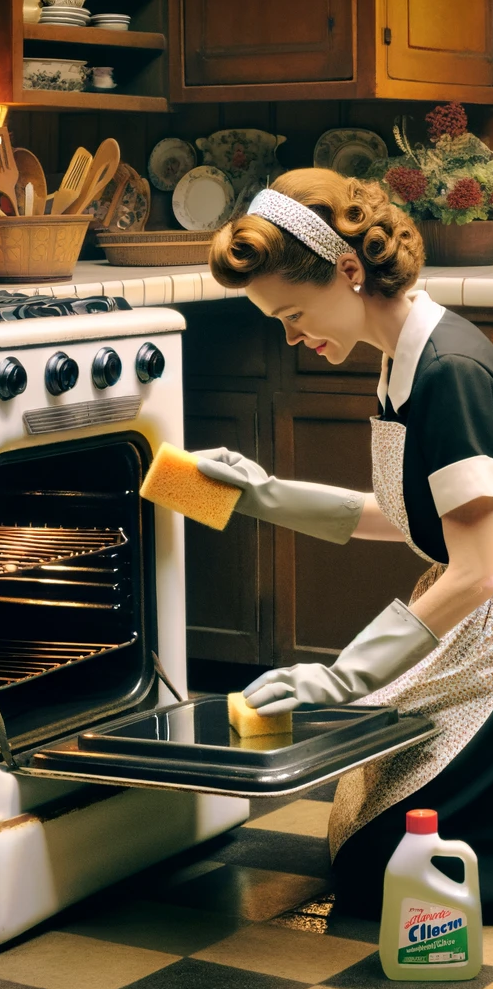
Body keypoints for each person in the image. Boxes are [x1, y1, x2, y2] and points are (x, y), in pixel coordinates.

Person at [194, 168, 493, 920]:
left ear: (349, 270)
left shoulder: (449, 370)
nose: (292, 335)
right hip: (471, 625)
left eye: (293, 313)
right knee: (371, 852)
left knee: (379, 868)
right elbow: (411, 516)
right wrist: (261, 493)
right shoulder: (400, 355)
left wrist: (338, 678)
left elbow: (479, 570)